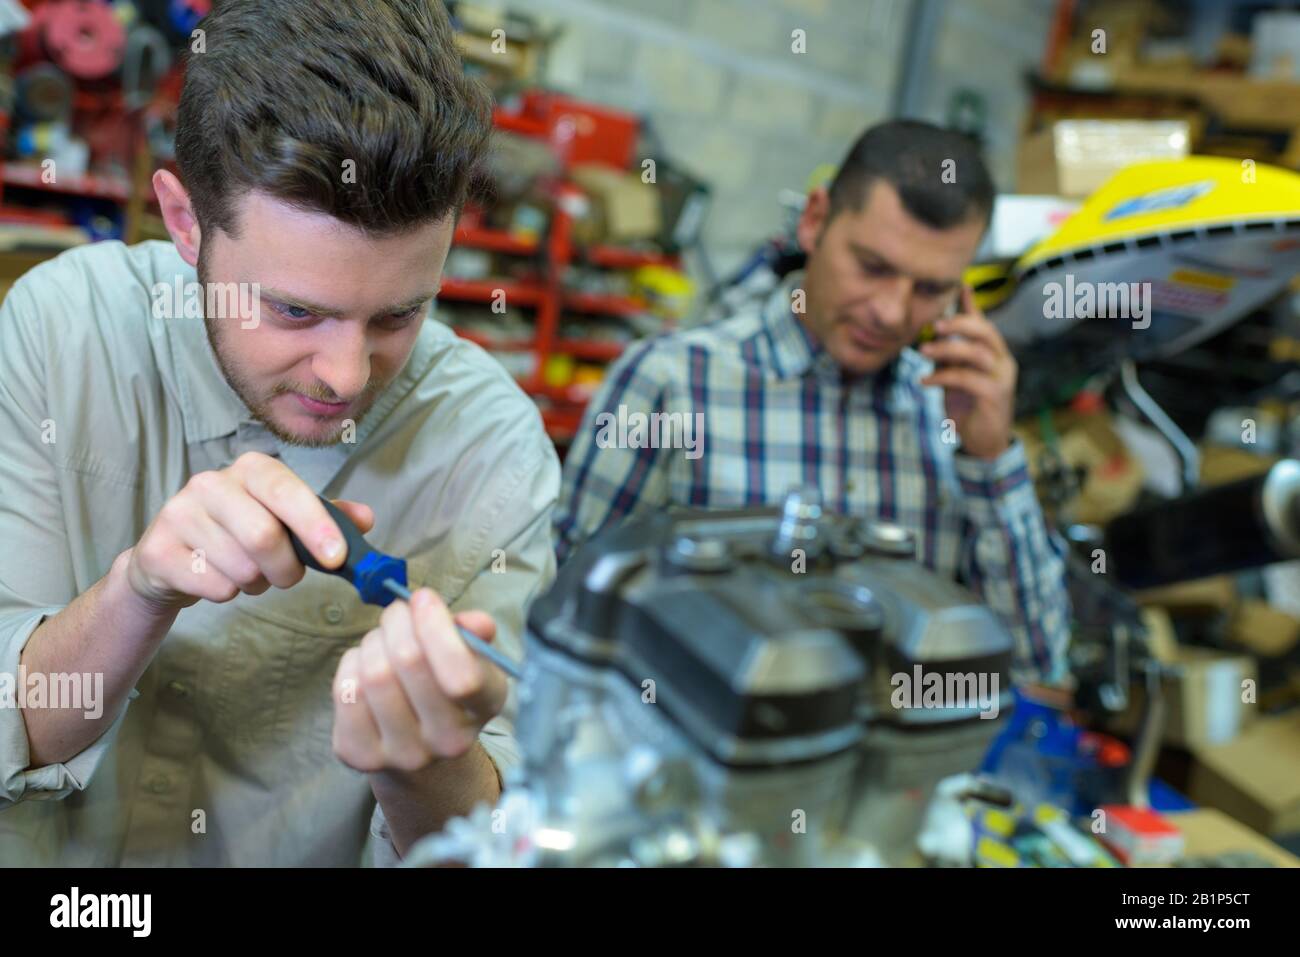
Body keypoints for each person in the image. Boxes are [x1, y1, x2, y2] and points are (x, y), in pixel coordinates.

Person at [0, 0, 559, 865]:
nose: (346, 373)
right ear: (185, 223)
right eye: (295, 309)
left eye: (400, 313)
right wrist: (137, 592)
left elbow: (498, 843)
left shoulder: (490, 451)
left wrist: (433, 761)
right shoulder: (62, 330)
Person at [555, 120, 1070, 683]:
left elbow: (1035, 664)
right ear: (815, 219)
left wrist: (991, 461)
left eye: (930, 289)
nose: (891, 313)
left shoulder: (952, 418)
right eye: (873, 268)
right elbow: (566, 616)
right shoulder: (673, 385)